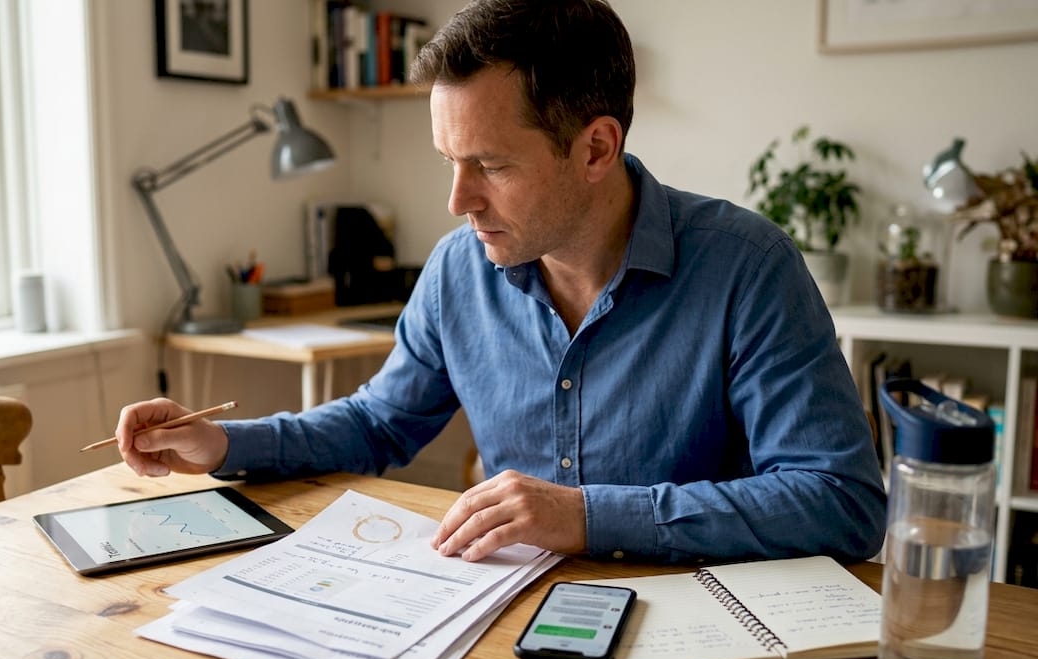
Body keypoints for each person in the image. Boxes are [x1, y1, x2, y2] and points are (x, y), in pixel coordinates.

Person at [116, 0, 886, 565]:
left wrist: (587, 516)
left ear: (595, 147)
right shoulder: (460, 268)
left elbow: (840, 500)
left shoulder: (747, 266)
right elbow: (378, 425)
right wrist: (223, 442)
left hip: (704, 632)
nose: (458, 201)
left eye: (490, 165)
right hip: (499, 620)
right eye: (448, 162)